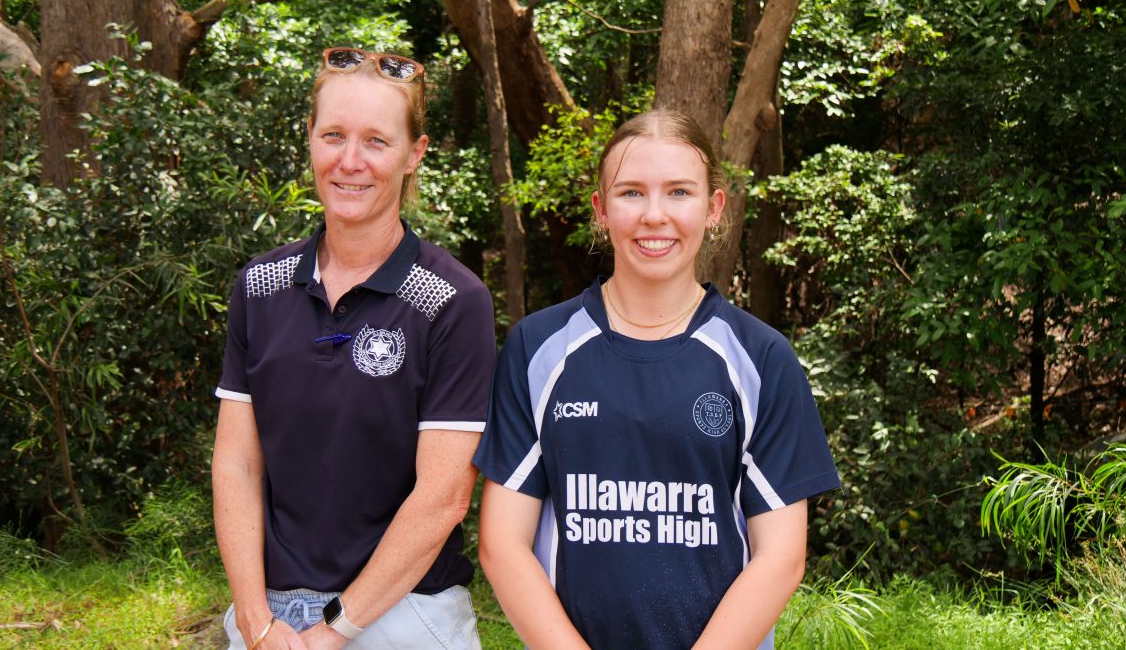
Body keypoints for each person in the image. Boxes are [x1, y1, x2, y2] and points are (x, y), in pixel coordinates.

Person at [473, 109, 841, 649]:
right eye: (631, 193)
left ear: (714, 208)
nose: (654, 215)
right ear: (601, 210)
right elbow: (502, 544)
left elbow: (781, 557)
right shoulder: (539, 348)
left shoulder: (761, 358)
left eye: (678, 192)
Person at [212, 48, 495, 650]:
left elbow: (443, 498)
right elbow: (237, 465)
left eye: (376, 141)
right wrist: (257, 623)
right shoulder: (260, 286)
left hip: (402, 611)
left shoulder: (452, 300)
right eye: (333, 135)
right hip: (271, 616)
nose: (350, 161)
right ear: (310, 140)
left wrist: (335, 631)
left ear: (414, 154)